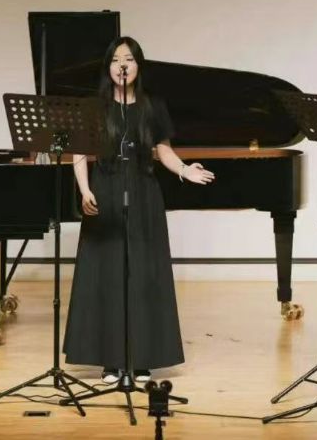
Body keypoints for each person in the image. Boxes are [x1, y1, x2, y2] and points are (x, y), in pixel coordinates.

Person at [63, 36, 214, 383]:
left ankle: (143, 359)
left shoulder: (151, 105)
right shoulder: (95, 107)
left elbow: (163, 149)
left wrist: (184, 170)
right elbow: (80, 152)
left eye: (129, 59)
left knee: (144, 276)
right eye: (116, 59)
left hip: (144, 194)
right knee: (106, 274)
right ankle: (110, 361)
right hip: (105, 191)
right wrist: (84, 190)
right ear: (108, 67)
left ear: (138, 66)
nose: (122, 65)